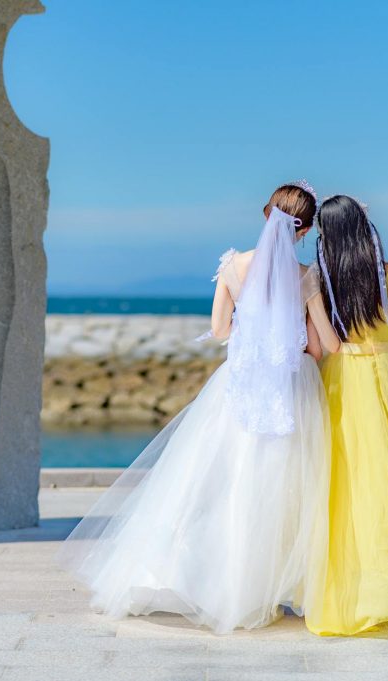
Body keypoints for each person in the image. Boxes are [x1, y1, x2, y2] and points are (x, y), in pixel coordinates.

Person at [56, 182, 331, 635]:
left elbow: (220, 329)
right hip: (287, 393)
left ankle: (199, 582)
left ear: (266, 215)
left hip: (236, 389)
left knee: (212, 487)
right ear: (304, 230)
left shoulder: (233, 267)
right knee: (271, 494)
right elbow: (320, 346)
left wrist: (254, 333)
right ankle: (253, 592)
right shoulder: (306, 278)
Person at [304, 194, 388, 635]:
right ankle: (385, 586)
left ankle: (344, 589)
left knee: (340, 485)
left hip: (338, 385)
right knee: (386, 482)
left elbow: (317, 348)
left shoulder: (320, 281)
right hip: (386, 384)